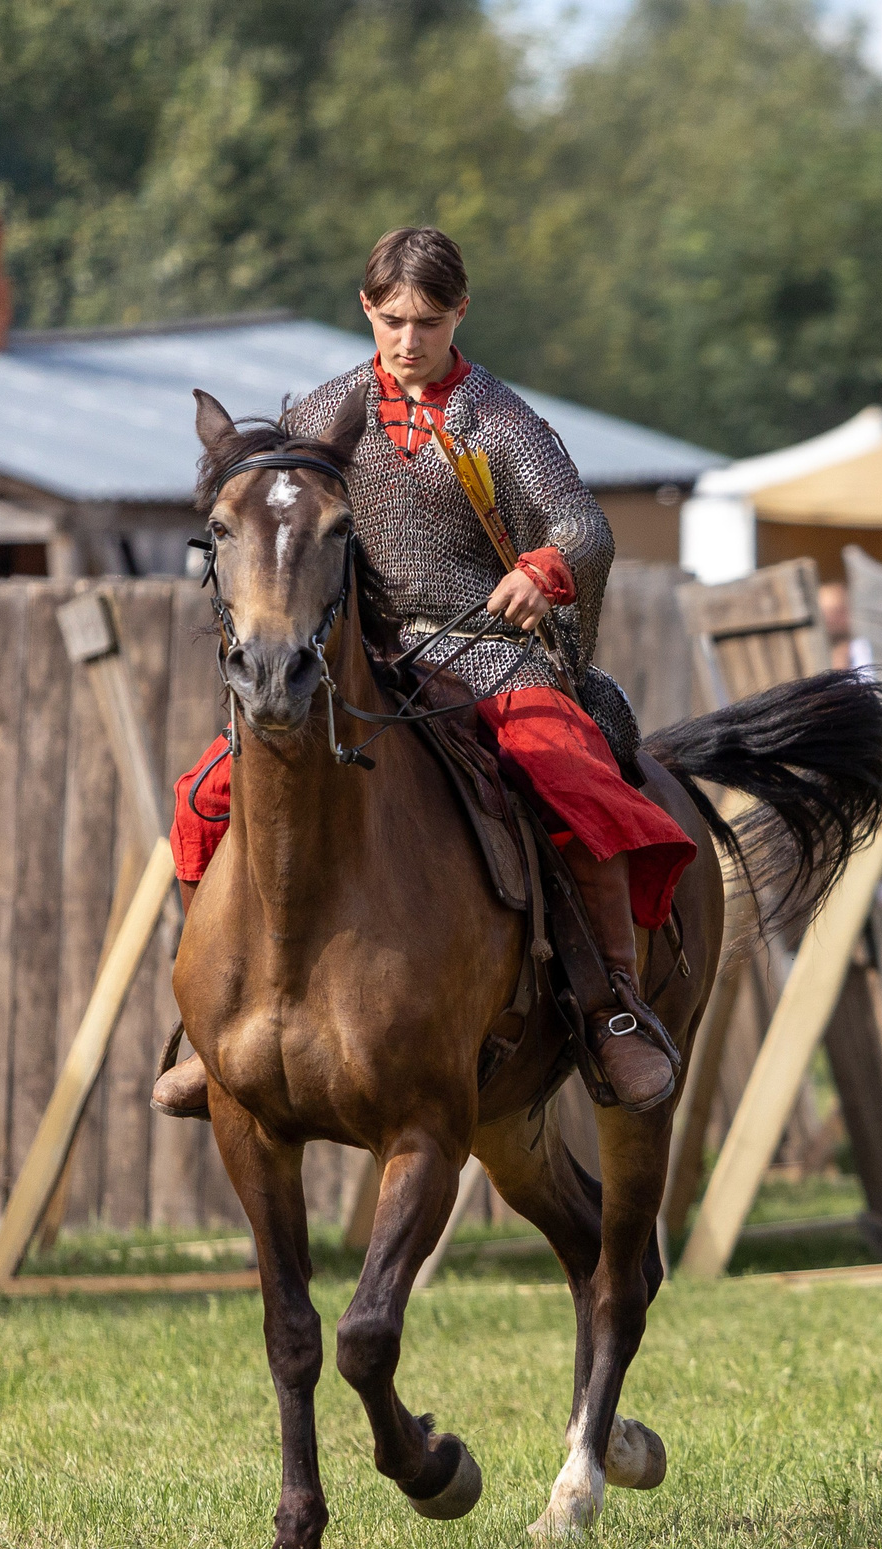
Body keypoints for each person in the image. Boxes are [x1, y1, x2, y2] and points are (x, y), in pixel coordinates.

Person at [155, 227, 696, 1116]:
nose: (410, 341)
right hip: (362, 654)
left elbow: (584, 525)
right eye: (394, 319)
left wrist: (541, 570)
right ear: (368, 309)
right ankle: (215, 1019)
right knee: (205, 796)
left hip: (486, 647)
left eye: (430, 321)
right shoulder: (323, 413)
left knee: (574, 778)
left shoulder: (499, 419)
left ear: (460, 314)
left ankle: (612, 1008)